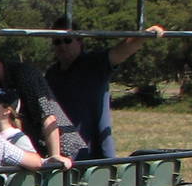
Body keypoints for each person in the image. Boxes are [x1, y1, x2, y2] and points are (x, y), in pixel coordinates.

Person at [46, 17, 166, 160]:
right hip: (61, 151)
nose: (62, 46)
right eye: (57, 42)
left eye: (67, 40)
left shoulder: (93, 64)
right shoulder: (52, 74)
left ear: (79, 41)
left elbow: (122, 51)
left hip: (91, 152)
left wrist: (144, 36)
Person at [0, 46, 86, 160]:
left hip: (67, 150)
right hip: (40, 147)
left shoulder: (24, 75)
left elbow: (48, 116)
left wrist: (55, 156)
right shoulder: (1, 83)